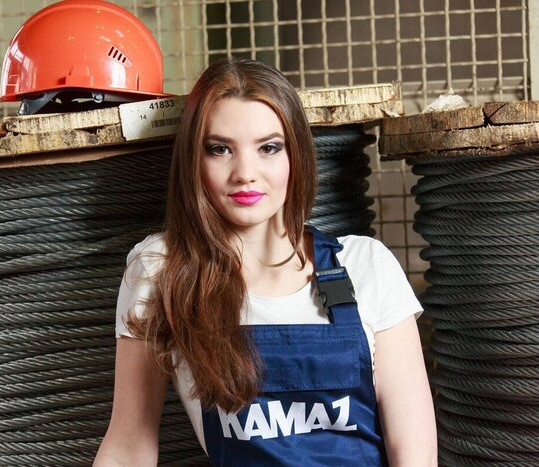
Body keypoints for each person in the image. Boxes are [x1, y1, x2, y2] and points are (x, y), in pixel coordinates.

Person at [94, 58, 437, 466]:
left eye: (268, 148)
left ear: (296, 155)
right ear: (193, 160)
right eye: (220, 149)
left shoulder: (366, 266)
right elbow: (129, 446)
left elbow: (414, 455)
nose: (245, 173)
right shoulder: (161, 270)